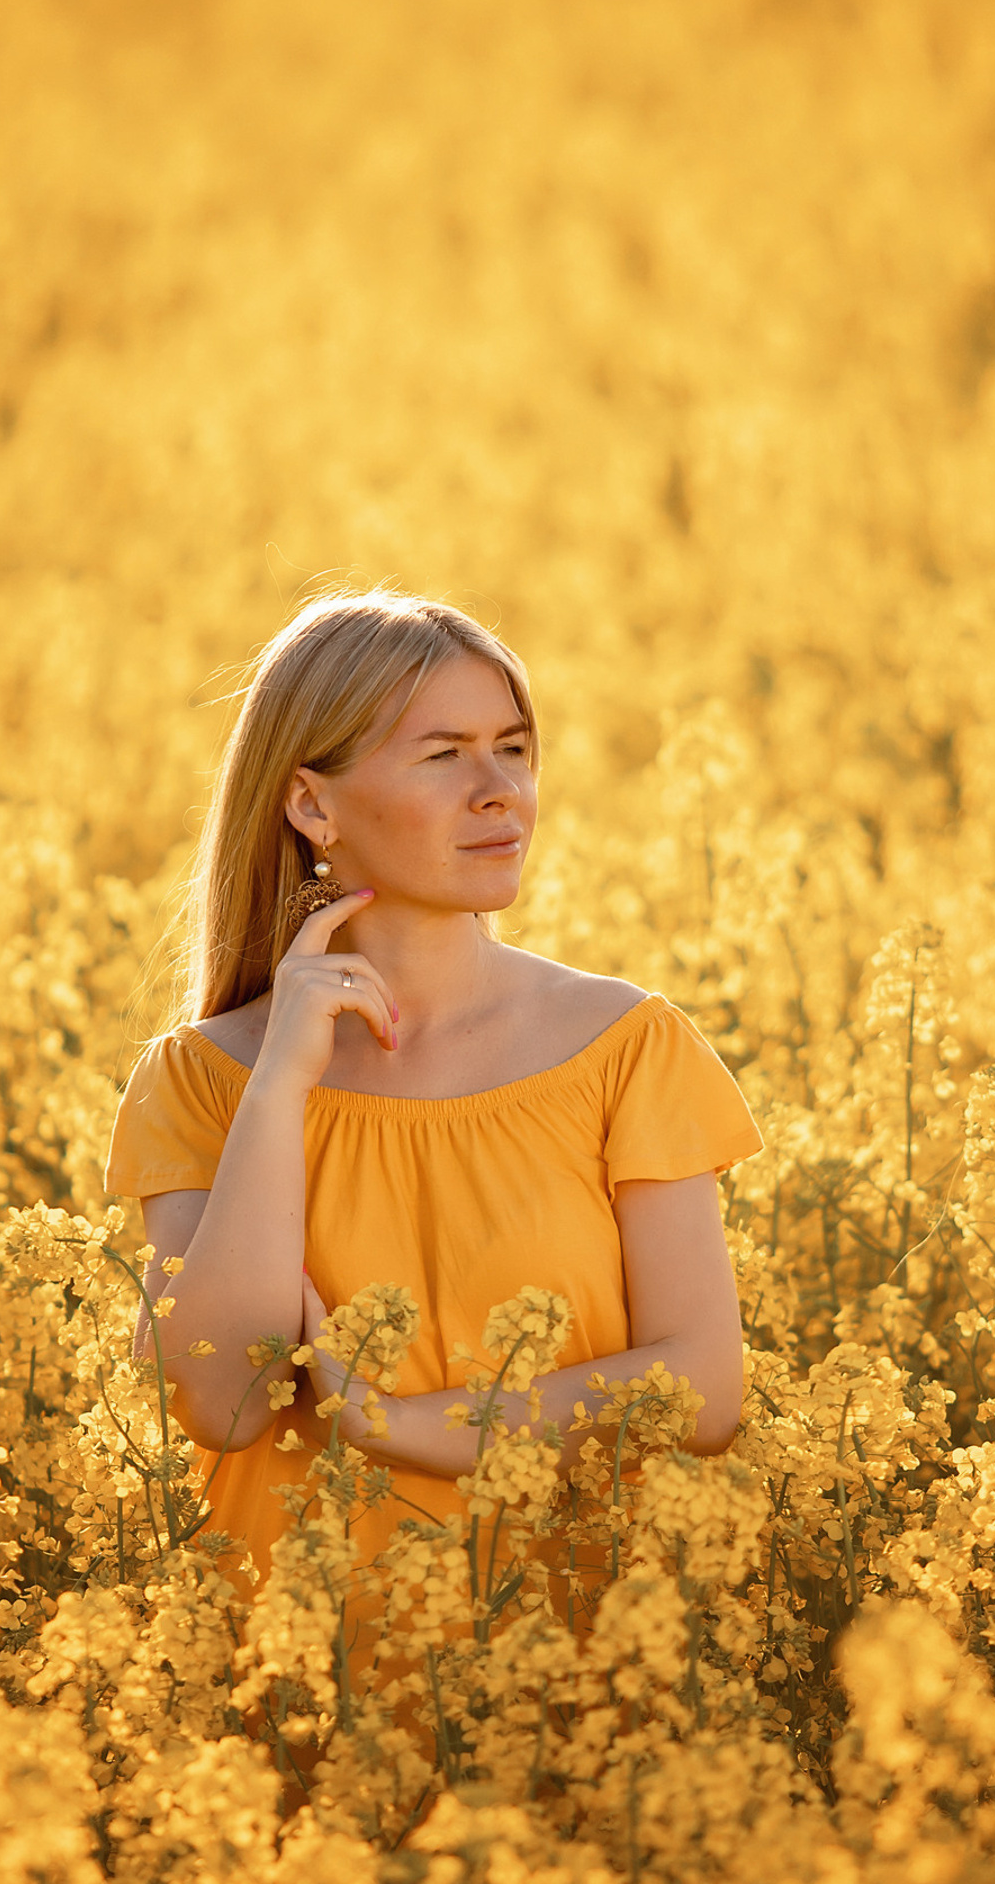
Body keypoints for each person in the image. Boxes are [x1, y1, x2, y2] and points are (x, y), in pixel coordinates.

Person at [102, 589, 763, 1594]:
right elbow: (226, 1402)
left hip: (578, 1668)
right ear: (312, 804)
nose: (500, 790)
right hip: (306, 1681)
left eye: (515, 747)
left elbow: (703, 1388)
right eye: (444, 754)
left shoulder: (626, 1049)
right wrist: (280, 1083)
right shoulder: (204, 1081)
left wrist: (405, 1428)